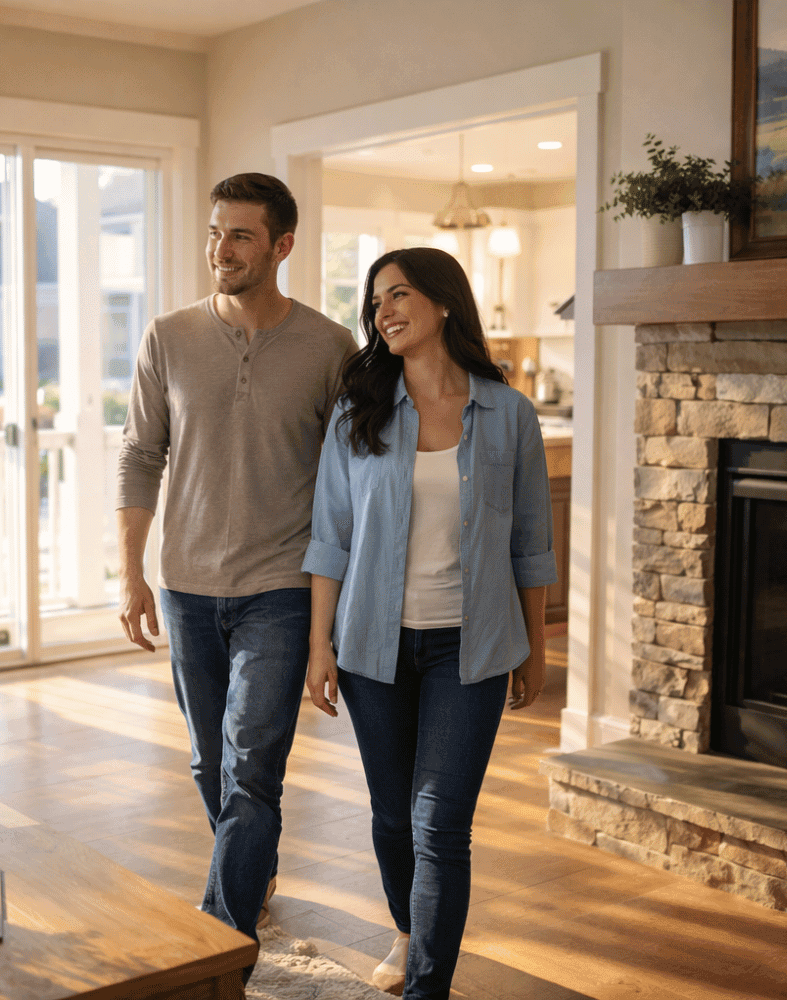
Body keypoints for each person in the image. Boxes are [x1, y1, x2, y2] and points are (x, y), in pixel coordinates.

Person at [302, 247, 555, 999]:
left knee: (440, 823)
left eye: (399, 294)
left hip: (469, 648)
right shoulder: (360, 411)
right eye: (376, 300)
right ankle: (410, 932)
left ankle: (428, 987)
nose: (383, 311)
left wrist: (535, 650)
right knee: (390, 815)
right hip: (372, 646)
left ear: (444, 302)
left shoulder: (508, 414)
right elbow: (329, 535)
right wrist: (320, 641)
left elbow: (532, 545)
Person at [115, 173, 355, 953]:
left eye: (241, 235)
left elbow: (350, 478)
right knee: (209, 761)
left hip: (281, 586)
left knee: (254, 765)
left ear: (282, 246)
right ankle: (254, 865)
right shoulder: (169, 336)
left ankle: (222, 938)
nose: (221, 248)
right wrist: (131, 572)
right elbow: (139, 456)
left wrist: (334, 609)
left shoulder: (329, 346)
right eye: (216, 232)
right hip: (186, 583)